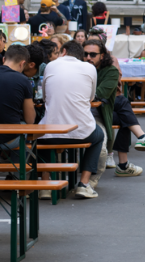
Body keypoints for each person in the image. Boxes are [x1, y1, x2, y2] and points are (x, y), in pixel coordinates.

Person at [84, 40, 145, 180]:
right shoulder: (79, 68)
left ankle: (125, 162)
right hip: (87, 111)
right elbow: (100, 94)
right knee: (123, 105)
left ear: (102, 55)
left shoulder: (109, 69)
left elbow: (103, 93)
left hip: (99, 109)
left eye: (92, 54)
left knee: (124, 114)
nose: (88, 57)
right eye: (85, 54)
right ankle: (131, 153)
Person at [37, 41, 104, 200]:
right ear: (81, 55)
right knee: (99, 135)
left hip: (52, 131)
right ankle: (84, 184)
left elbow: (45, 97)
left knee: (43, 133)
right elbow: (91, 98)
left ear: (64, 51)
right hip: (82, 131)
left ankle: (45, 185)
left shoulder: (51, 66)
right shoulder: (90, 68)